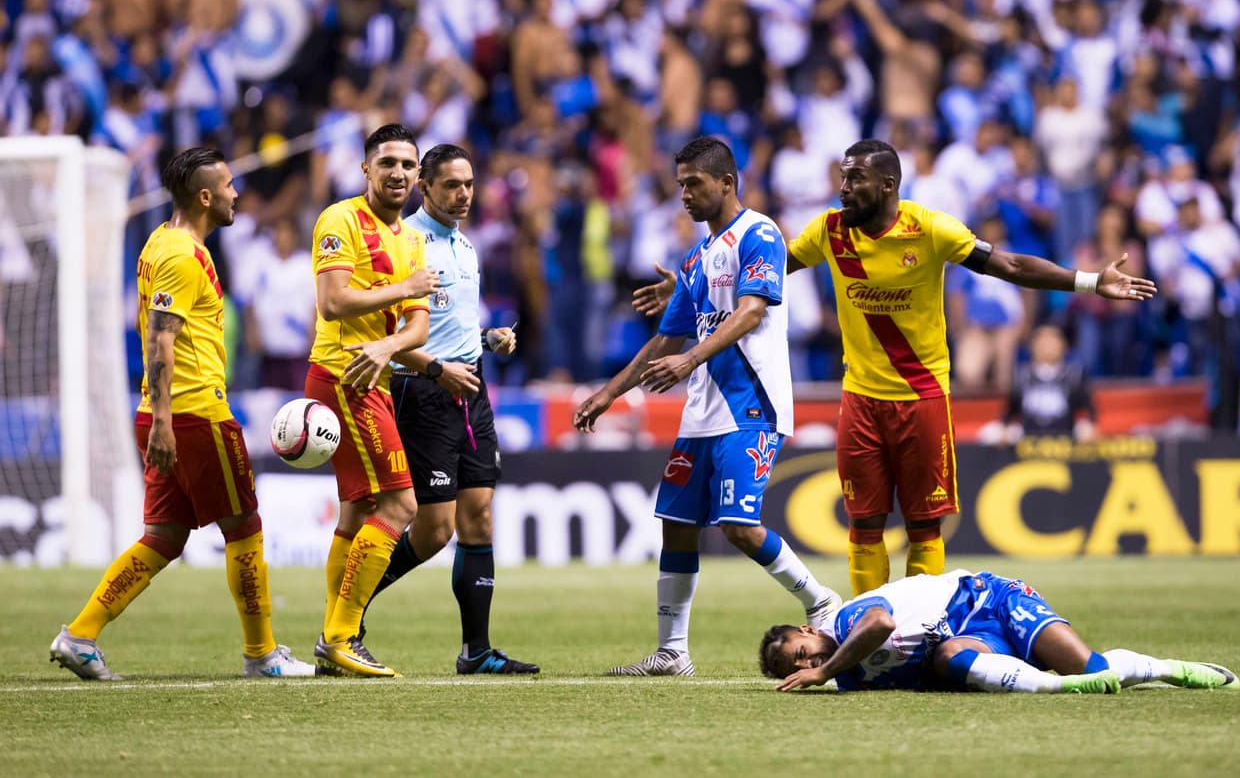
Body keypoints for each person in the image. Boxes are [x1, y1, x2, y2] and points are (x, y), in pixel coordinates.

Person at [634, 139, 1157, 598]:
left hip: (923, 397)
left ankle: (919, 626)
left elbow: (1012, 266)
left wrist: (1089, 281)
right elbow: (758, 271)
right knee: (862, 524)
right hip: (860, 399)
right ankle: (871, 626)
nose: (843, 188)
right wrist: (685, 287)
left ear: (888, 185)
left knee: (924, 526)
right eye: (841, 177)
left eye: (854, 179)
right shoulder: (829, 232)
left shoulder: (930, 229)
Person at [573, 136, 842, 677]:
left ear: (726, 181)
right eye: (680, 186)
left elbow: (749, 313)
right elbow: (665, 341)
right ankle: (673, 651)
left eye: (694, 184)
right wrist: (607, 393)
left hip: (751, 405)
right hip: (701, 414)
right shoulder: (695, 260)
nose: (685, 196)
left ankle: (821, 600)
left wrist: (690, 359)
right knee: (676, 523)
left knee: (739, 526)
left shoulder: (760, 233)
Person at [49, 147, 313, 680]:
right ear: (206, 196)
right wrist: (166, 422)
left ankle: (79, 635)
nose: (239, 193)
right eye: (231, 185)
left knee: (165, 538)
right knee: (245, 527)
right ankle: (262, 654)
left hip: (170, 412)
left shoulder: (161, 242)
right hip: (192, 414)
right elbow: (160, 339)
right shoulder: (181, 255)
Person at [359, 143, 539, 675]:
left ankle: (476, 650)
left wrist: (489, 339)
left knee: (479, 517)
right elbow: (388, 336)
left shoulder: (466, 247)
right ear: (425, 187)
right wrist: (438, 370)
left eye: (469, 184)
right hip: (423, 390)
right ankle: (347, 615)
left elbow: (450, 329)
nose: (463, 195)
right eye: (451, 186)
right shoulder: (406, 245)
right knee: (434, 529)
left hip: (471, 387)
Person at [306, 123, 438, 677]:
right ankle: (341, 636)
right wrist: (406, 291)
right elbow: (334, 302)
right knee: (401, 505)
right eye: (388, 163)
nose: (399, 174)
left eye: (408, 166)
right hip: (343, 375)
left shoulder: (410, 239)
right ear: (366, 169)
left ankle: (335, 636)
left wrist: (389, 342)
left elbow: (419, 329)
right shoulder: (340, 219)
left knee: (359, 509)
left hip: (373, 374)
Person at [759, 569, 1240, 694]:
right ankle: (1062, 688)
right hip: (972, 644)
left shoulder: (847, 622)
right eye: (795, 668)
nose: (806, 664)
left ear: (809, 629)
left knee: (1089, 663)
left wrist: (825, 674)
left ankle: (1172, 668)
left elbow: (882, 625)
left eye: (801, 652)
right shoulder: (849, 678)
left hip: (990, 599)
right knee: (950, 658)